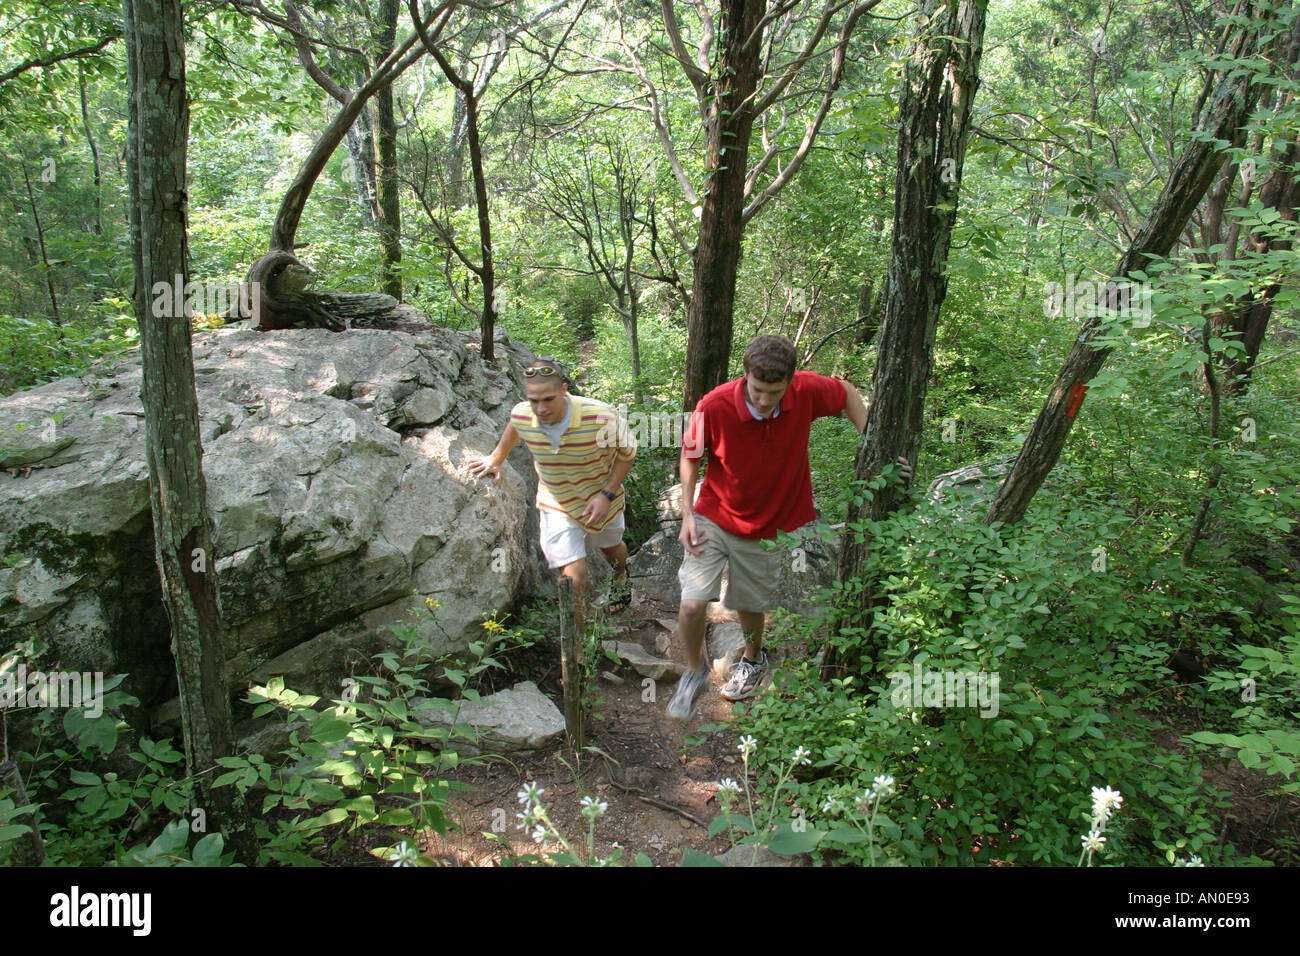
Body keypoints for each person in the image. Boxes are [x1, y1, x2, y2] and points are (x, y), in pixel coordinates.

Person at [666, 335, 911, 720]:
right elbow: (690, 455)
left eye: (774, 392)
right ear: (745, 375)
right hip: (714, 514)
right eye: (757, 390)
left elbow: (846, 392)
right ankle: (694, 672)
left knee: (750, 604)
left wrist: (873, 446)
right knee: (693, 603)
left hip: (769, 523)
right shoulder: (713, 406)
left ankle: (752, 659)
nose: (764, 400)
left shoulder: (806, 390)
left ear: (790, 381)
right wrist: (687, 516)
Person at [468, 358, 636, 646]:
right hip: (557, 503)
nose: (541, 408)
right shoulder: (523, 414)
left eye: (548, 399)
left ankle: (621, 576)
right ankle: (577, 649)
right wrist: (495, 459)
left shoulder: (600, 416)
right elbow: (515, 427)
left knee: (610, 548)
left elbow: (627, 452)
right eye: (534, 400)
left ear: (563, 390)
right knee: (573, 579)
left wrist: (606, 494)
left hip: (601, 500)